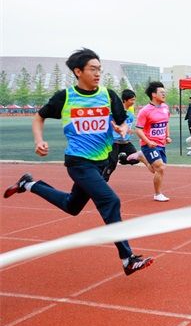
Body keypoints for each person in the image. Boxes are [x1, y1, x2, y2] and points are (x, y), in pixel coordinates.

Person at [3, 48, 153, 275]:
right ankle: (127, 259)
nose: (98, 73)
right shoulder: (65, 97)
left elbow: (123, 122)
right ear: (78, 71)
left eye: (99, 69)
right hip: (79, 162)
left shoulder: (108, 95)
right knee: (110, 200)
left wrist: (122, 129)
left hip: (102, 161)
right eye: (93, 69)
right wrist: (39, 141)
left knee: (71, 206)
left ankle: (29, 184)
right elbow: (39, 117)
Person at [134, 81, 172, 202]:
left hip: (161, 144)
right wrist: (148, 142)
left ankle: (142, 157)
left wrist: (167, 136)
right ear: (153, 94)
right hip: (149, 145)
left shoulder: (165, 107)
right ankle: (157, 194)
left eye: (165, 92)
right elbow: (138, 130)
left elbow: (166, 123)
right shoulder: (145, 111)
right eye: (161, 92)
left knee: (157, 169)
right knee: (160, 168)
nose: (164, 94)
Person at [102, 89, 151, 181]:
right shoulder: (114, 114)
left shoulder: (130, 115)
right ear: (124, 100)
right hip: (114, 142)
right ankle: (103, 180)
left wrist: (131, 131)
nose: (133, 102)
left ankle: (122, 158)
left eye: (134, 100)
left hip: (125, 142)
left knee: (136, 158)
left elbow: (128, 128)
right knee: (112, 163)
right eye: (132, 100)